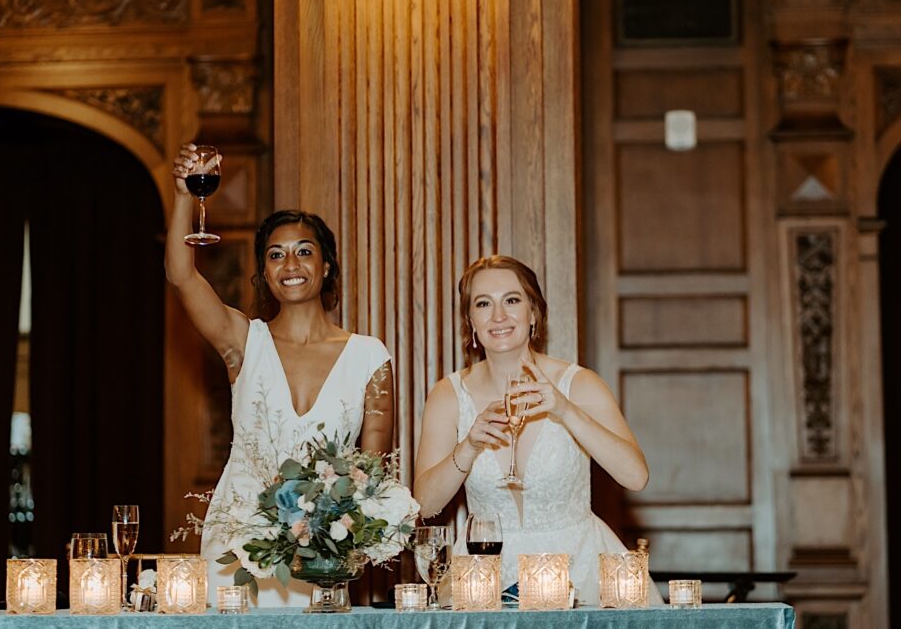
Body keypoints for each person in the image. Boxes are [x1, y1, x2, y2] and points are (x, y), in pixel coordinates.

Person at [165, 145, 395, 606]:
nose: (290, 265)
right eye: (276, 255)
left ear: (326, 266)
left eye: (303, 252)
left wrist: (341, 542)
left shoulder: (370, 356)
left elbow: (371, 475)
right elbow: (181, 276)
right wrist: (184, 196)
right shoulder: (242, 342)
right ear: (264, 273)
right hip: (236, 546)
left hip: (322, 554)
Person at [413, 255, 662, 605]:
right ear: (470, 320)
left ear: (534, 312)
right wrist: (468, 446)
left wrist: (565, 410)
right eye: (483, 304)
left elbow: (636, 476)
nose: (499, 316)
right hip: (482, 577)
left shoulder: (581, 384)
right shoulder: (448, 395)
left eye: (512, 300)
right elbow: (424, 504)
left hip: (580, 570)